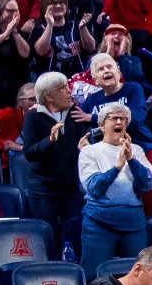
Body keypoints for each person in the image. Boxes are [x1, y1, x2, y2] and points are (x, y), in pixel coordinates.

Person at [78, 103, 152, 271]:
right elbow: (93, 187)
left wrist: (131, 160)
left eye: (123, 119)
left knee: (139, 272)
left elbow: (149, 183)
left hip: (133, 219)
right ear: (101, 125)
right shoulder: (89, 152)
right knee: (94, 272)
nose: (119, 123)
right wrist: (117, 166)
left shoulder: (136, 150)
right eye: (113, 118)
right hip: (99, 220)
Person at [20, 71, 95, 247]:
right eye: (63, 89)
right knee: (49, 234)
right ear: (49, 96)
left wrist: (85, 147)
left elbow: (84, 141)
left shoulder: (75, 113)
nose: (69, 91)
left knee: (76, 230)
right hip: (43, 188)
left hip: (69, 186)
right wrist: (50, 141)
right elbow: (29, 153)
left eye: (67, 87)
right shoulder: (33, 116)